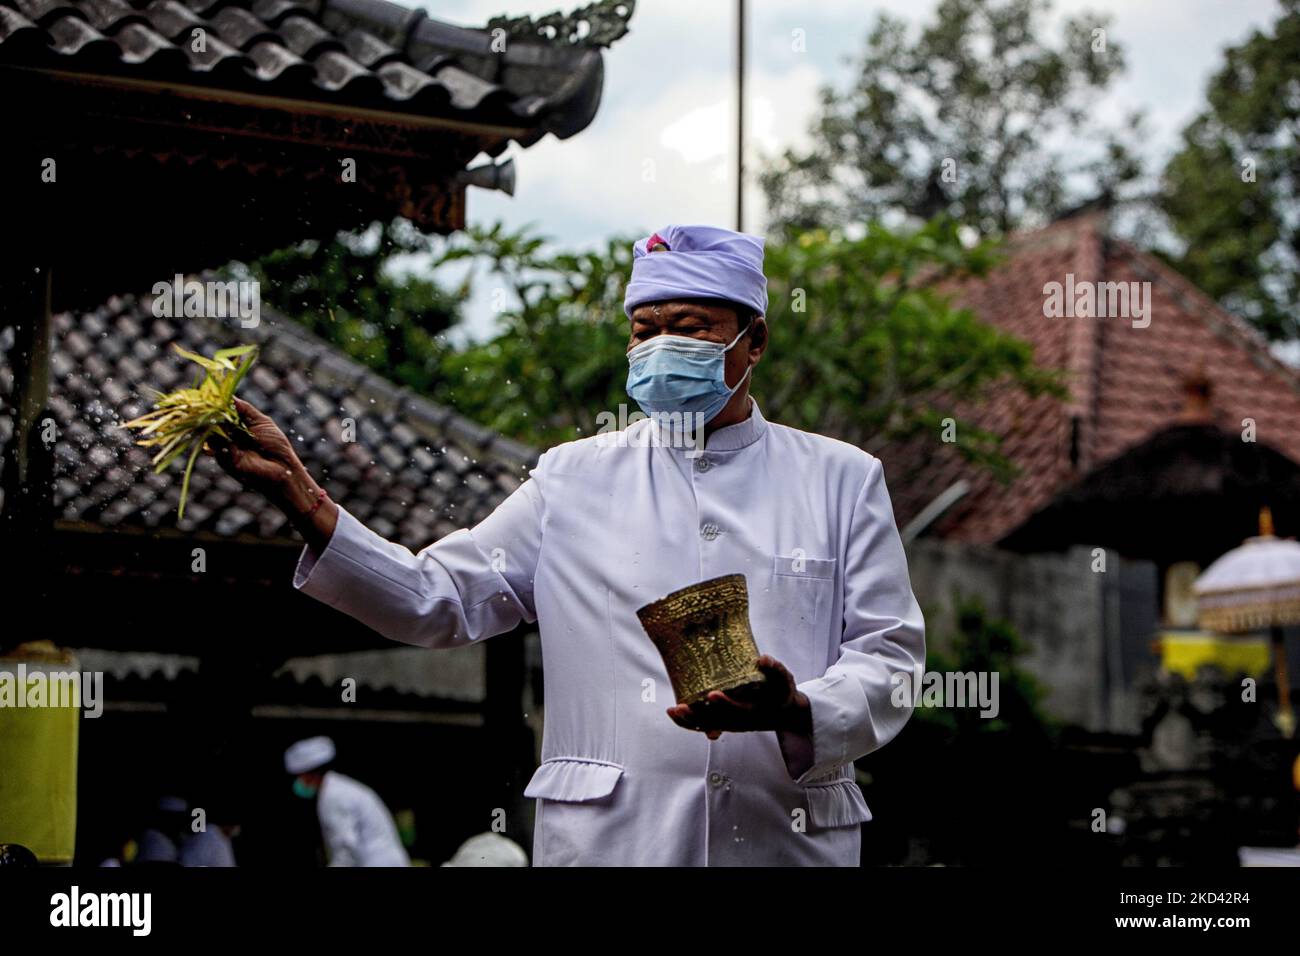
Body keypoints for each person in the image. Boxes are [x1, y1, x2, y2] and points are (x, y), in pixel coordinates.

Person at [215, 224, 926, 866]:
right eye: (643, 330)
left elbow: (891, 659)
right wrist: (306, 503)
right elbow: (439, 599)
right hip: (612, 843)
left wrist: (798, 708)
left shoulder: (841, 479)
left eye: (688, 327)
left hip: (786, 844)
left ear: (756, 342)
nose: (659, 348)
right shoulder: (572, 478)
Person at [283, 736, 409, 867]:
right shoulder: (340, 788)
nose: (299, 782)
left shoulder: (334, 796)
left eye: (300, 777)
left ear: (310, 774)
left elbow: (346, 848)